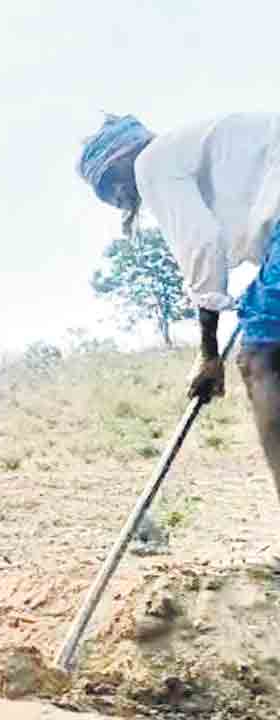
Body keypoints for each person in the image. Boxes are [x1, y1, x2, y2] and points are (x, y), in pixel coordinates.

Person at [77, 113, 280, 542]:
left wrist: (208, 354)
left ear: (120, 158)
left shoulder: (151, 162)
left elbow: (202, 246)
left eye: (106, 185)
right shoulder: (205, 149)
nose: (115, 197)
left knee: (261, 359)